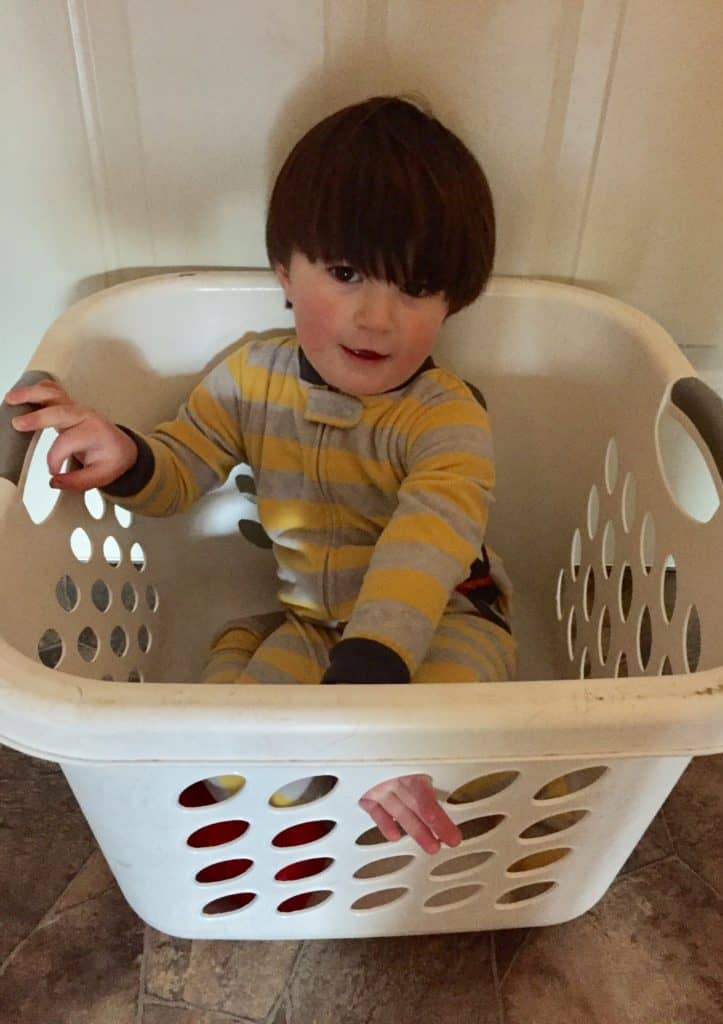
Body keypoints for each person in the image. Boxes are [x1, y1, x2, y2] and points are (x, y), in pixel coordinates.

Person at [6, 95, 516, 856]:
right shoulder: (252, 376)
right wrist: (124, 455)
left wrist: (367, 710)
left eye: (413, 289)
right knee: (229, 771)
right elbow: (183, 465)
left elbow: (423, 549)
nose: (376, 318)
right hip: (313, 625)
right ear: (285, 272)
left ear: (454, 300)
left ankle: (366, 821)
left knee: (449, 768)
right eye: (345, 273)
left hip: (447, 622)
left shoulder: (448, 419)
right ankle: (256, 661)